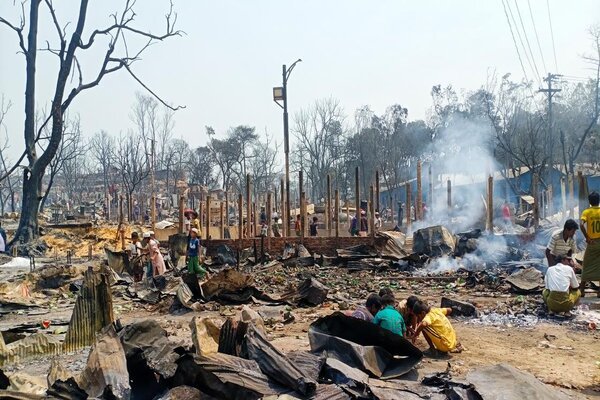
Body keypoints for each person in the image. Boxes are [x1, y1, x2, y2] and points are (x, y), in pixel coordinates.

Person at [580, 191, 600, 297]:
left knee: (586, 265)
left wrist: (587, 237)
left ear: (590, 202)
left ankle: (582, 290)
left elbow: (581, 225)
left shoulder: (586, 212)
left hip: (592, 242)